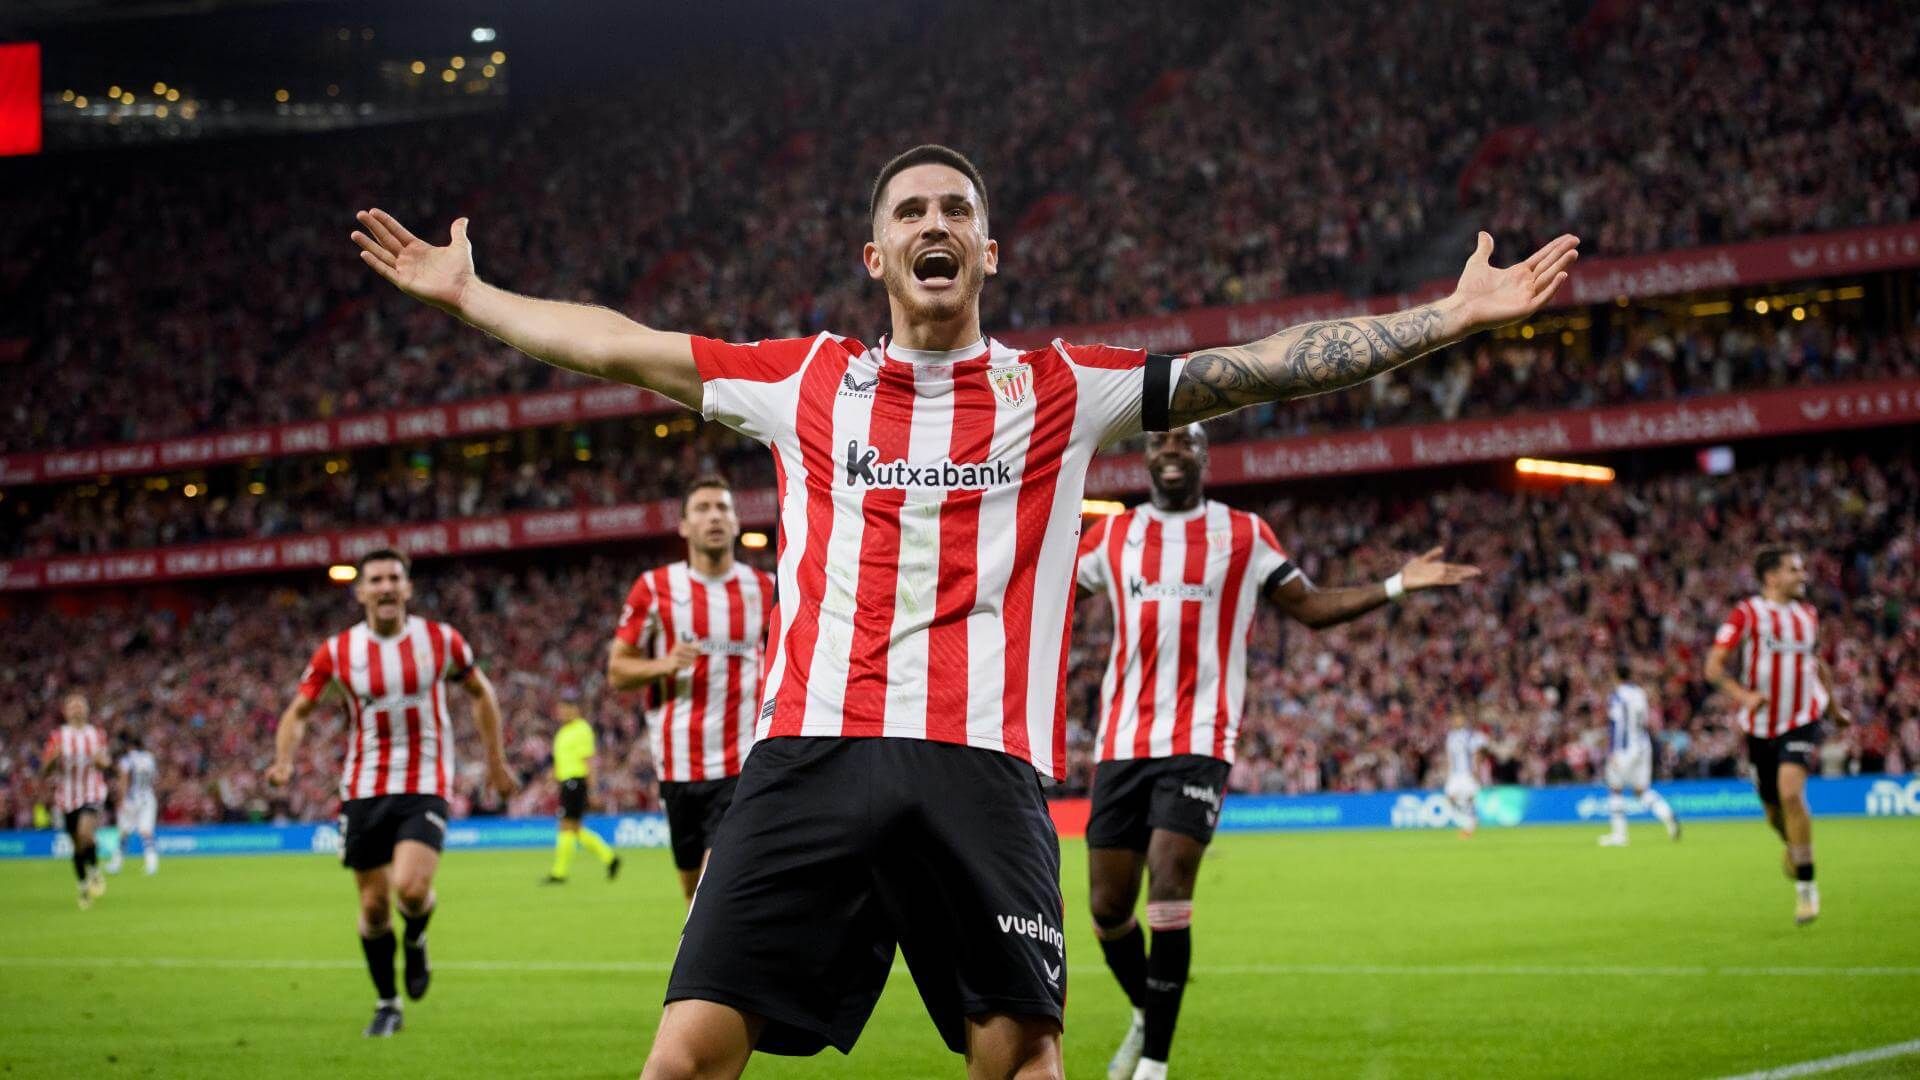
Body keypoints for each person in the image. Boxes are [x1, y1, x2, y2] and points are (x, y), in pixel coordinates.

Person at [351, 142, 1576, 1077]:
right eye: (910, 213)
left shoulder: (1064, 391)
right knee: (683, 1055)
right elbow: (615, 345)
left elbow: (1262, 363)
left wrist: (1448, 318)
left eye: (958, 213)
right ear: (874, 257)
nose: (935, 225)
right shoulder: (803, 380)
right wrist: (475, 300)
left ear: (990, 254)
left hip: (983, 770)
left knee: (1020, 1061)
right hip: (808, 757)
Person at [1075, 424, 1477, 1080]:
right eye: (1159, 443)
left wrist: (1397, 585)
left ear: (1205, 456)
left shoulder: (1243, 534)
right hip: (1121, 742)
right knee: (1106, 909)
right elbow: (1049, 594)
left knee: (1170, 883)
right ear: (1146, 457)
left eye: (1185, 442)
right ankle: (1147, 1011)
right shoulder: (1114, 537)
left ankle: (1153, 1064)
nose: (1170, 451)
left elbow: (1312, 607)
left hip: (1200, 740)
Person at [267, 548, 519, 1037]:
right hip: (363, 788)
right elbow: (298, 712)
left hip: (425, 781)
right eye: (376, 580)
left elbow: (481, 693)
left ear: (407, 589)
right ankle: (388, 1003)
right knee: (374, 908)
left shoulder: (439, 640)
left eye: (393, 579)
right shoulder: (338, 652)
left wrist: (495, 762)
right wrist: (282, 760)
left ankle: (418, 935)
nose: (385, 587)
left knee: (411, 887)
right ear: (360, 592)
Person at [606, 474, 774, 903]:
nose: (714, 516)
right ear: (683, 526)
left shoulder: (765, 589)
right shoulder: (656, 588)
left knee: (714, 891)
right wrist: (666, 663)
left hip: (744, 764)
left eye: (723, 508)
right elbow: (617, 671)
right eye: (702, 508)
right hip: (679, 769)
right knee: (692, 895)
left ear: (737, 522)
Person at [1704, 548, 1847, 925]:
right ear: (1771, 577)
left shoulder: (1808, 614)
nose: (1803, 574)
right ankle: (1793, 846)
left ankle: (1806, 889)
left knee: (1790, 793)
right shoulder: (1747, 614)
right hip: (1761, 724)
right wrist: (1744, 696)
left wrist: (1833, 708)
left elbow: (1816, 664)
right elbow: (1712, 666)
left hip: (1802, 717)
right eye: (1794, 569)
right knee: (1772, 810)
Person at [1596, 661, 1680, 847]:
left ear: (1616, 675)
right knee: (1641, 790)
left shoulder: (1617, 696)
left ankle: (1619, 836)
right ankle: (1667, 814)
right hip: (1643, 744)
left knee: (1615, 788)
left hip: (1625, 747)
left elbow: (1617, 725)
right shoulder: (1640, 693)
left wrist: (1613, 751)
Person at [43, 692, 112, 909]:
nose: (77, 709)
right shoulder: (58, 736)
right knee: (77, 846)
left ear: (87, 710)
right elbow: (45, 771)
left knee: (85, 833)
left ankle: (94, 871)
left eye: (80, 705)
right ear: (65, 712)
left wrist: (101, 762)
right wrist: (53, 759)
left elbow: (105, 763)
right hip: (66, 797)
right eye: (72, 706)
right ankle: (83, 886)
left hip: (92, 792)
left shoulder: (97, 735)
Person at [544, 701, 621, 884]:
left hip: (576, 782)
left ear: (575, 709)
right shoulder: (562, 732)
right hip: (566, 782)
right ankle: (610, 858)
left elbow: (589, 761)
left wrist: (592, 789)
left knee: (566, 826)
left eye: (566, 708)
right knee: (575, 828)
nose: (562, 712)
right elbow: (561, 760)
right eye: (560, 708)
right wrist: (552, 777)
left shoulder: (582, 729)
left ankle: (559, 873)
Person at [115, 731, 162, 875]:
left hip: (131, 798)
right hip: (148, 797)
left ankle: (117, 863)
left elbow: (123, 781)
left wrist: (120, 799)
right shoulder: (150, 758)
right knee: (146, 831)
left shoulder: (127, 760)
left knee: (124, 832)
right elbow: (155, 779)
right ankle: (152, 862)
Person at [1444, 714, 1490, 836]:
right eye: (1455, 719)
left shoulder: (1469, 735)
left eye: (1458, 719)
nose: (1456, 721)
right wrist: (1448, 773)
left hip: (1467, 773)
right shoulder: (1450, 736)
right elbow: (1449, 757)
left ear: (1463, 721)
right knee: (1450, 797)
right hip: (1455, 774)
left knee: (1469, 798)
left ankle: (1469, 826)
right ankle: (1469, 821)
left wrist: (1476, 771)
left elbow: (1478, 753)